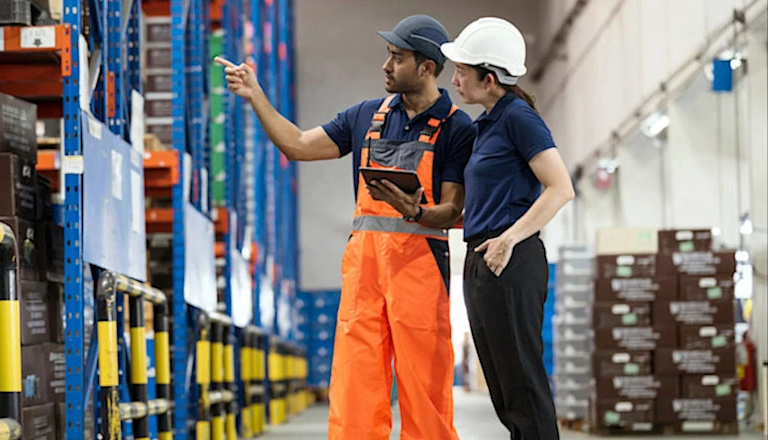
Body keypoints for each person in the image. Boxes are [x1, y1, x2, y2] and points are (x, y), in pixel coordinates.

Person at [216, 14, 474, 440]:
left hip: (422, 271)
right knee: (355, 387)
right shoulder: (365, 116)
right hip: (364, 272)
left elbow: (451, 209)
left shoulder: (456, 128)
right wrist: (254, 94)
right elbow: (297, 146)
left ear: (427, 67)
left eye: (397, 58)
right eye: (387, 56)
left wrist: (416, 212)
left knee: (425, 394)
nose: (386, 66)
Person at [440, 17, 574, 440]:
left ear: (490, 78)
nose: (455, 78)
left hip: (511, 259)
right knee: (503, 388)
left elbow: (560, 188)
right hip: (483, 257)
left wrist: (510, 238)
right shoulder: (485, 126)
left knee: (522, 385)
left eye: (463, 70)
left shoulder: (519, 118)